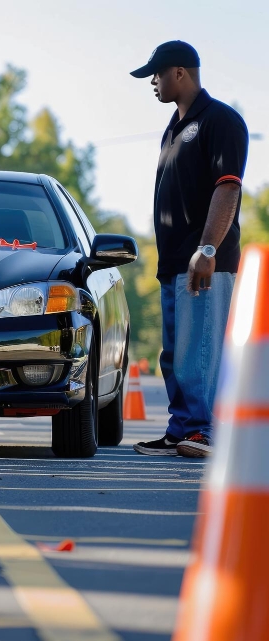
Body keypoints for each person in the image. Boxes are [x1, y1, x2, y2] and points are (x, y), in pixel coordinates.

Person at [129, 41, 248, 458]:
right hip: (175, 262)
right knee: (176, 356)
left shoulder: (221, 120)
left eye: (156, 76)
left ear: (179, 73)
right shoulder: (173, 128)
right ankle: (182, 429)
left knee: (199, 351)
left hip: (205, 260)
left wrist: (209, 248)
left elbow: (228, 185)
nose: (154, 84)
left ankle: (205, 431)